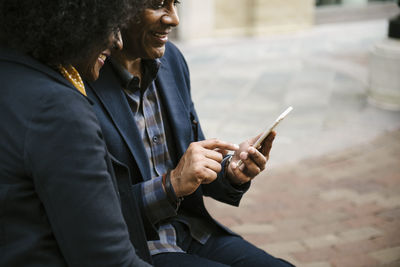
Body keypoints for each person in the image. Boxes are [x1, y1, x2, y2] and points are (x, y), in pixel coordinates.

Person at [87, 0, 294, 266]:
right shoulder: (84, 78)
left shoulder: (172, 59)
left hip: (192, 231)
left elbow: (194, 165)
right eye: (159, 5)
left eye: (176, 3)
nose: (174, 19)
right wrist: (170, 185)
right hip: (135, 248)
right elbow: (90, 212)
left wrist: (231, 172)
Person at [0, 0, 152, 266]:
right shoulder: (57, 110)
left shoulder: (12, 75)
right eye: (110, 24)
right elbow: (109, 260)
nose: (117, 41)